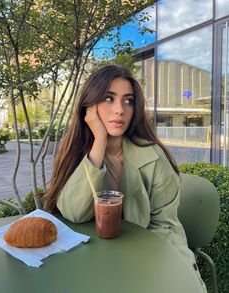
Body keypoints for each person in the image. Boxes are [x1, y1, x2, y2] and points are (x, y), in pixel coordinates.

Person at [44, 64, 206, 291]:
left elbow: (166, 227)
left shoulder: (153, 157)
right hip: (87, 264)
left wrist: (179, 275)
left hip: (141, 261)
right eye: (109, 99)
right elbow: (73, 213)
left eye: (128, 100)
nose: (120, 109)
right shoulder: (74, 152)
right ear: (89, 107)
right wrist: (99, 141)